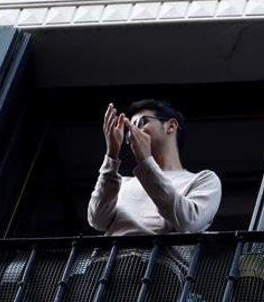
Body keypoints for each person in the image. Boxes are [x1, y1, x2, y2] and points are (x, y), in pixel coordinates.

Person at [88, 100, 222, 235]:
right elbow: (98, 220)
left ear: (171, 126)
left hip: (161, 256)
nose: (133, 132)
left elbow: (189, 223)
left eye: (141, 123)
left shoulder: (203, 180)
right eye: (129, 129)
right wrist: (111, 156)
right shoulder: (121, 184)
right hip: (111, 256)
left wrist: (146, 161)